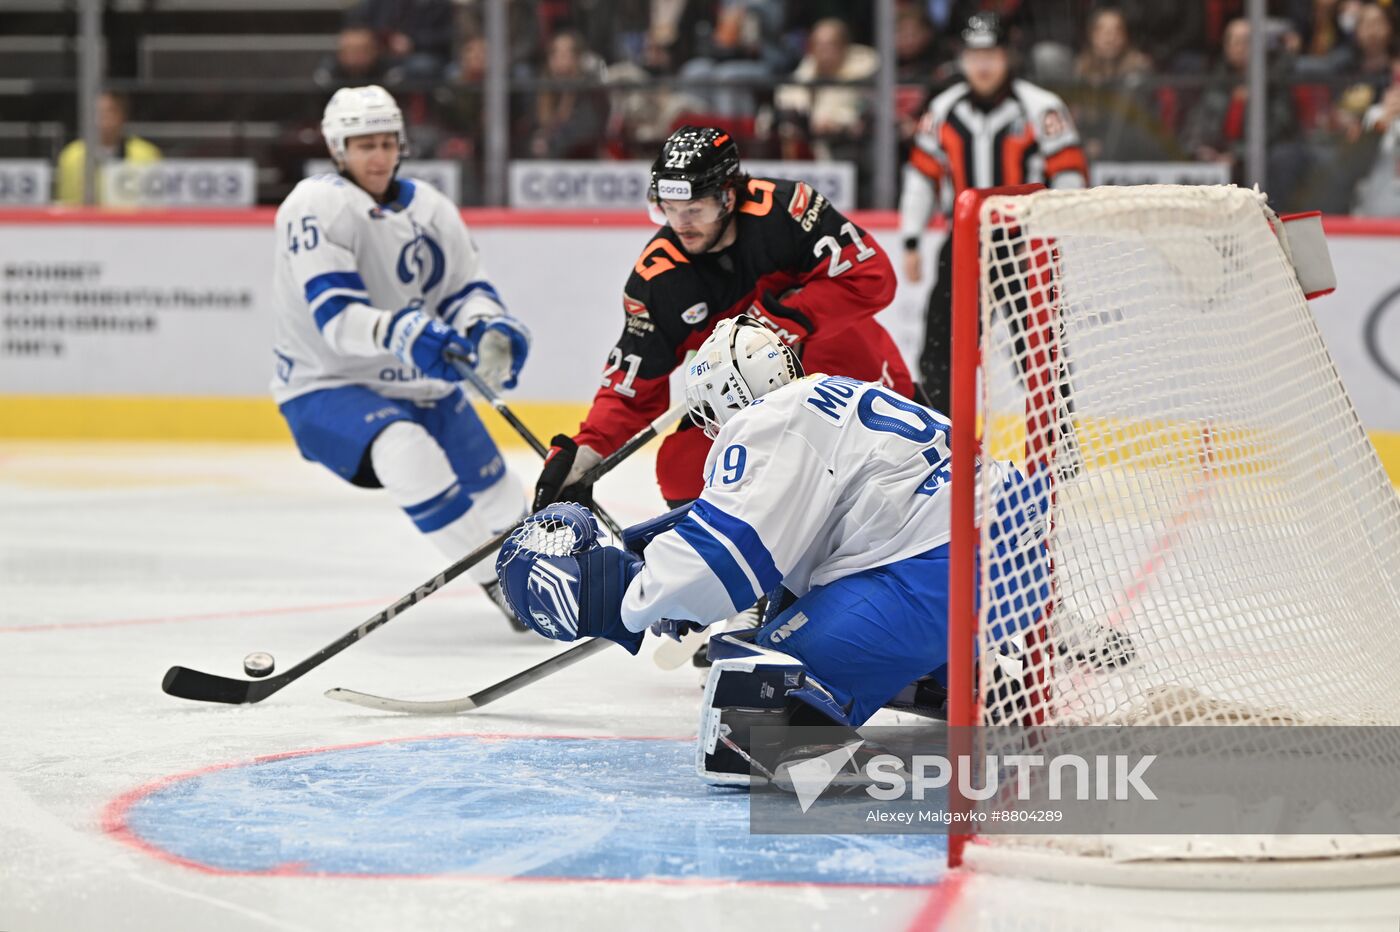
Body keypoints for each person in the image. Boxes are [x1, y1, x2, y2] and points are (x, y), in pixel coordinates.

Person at [496, 317, 1051, 779]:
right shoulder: (838, 397)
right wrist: (670, 573)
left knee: (751, 697)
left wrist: (630, 596)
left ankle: (844, 738)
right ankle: (945, 672)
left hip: (944, 574)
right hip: (1013, 563)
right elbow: (801, 534)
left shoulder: (770, 420)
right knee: (778, 621)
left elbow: (720, 559)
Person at [271, 85, 532, 629]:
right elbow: (338, 319)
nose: (379, 156)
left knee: (499, 490)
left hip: (421, 381)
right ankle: (498, 585)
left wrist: (489, 328)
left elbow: (464, 288)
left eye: (387, 142)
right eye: (364, 144)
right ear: (338, 149)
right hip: (327, 385)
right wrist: (406, 331)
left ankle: (543, 579)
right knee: (404, 449)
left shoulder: (431, 208)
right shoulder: (315, 205)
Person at [899, 11, 1088, 415]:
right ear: (961, 58)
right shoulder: (943, 111)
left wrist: (1055, 234)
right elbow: (921, 177)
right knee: (940, 351)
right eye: (973, 55)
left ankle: (1060, 450)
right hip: (965, 245)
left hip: (1027, 247)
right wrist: (911, 238)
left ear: (1007, 56)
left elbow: (1069, 174)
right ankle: (942, 446)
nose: (982, 65)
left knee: (1040, 352)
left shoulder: (1042, 108)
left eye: (991, 54)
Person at [55, 91, 161, 205]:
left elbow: (154, 203)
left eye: (110, 112)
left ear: (123, 116)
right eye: (97, 113)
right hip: (86, 221)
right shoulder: (70, 155)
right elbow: (67, 204)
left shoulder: (147, 154)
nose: (104, 119)